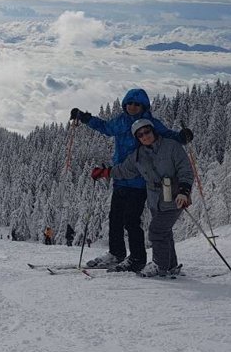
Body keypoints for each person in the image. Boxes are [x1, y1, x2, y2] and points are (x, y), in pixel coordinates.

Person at [71, 89, 192, 272]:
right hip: (121, 176)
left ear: (143, 106)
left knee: (131, 220)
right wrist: (85, 118)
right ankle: (116, 253)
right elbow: (104, 127)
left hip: (141, 180)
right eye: (129, 103)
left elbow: (167, 136)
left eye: (137, 104)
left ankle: (137, 258)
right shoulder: (120, 121)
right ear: (125, 105)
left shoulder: (150, 123)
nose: (132, 107)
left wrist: (182, 138)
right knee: (115, 218)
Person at [92, 119, 193, 277]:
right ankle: (170, 265)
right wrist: (105, 172)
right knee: (165, 232)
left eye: (147, 132)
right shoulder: (138, 155)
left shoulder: (171, 146)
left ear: (153, 131)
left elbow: (185, 169)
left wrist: (184, 191)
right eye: (140, 135)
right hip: (155, 200)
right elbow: (124, 170)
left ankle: (159, 266)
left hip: (174, 196)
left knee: (156, 231)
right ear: (137, 138)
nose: (145, 136)